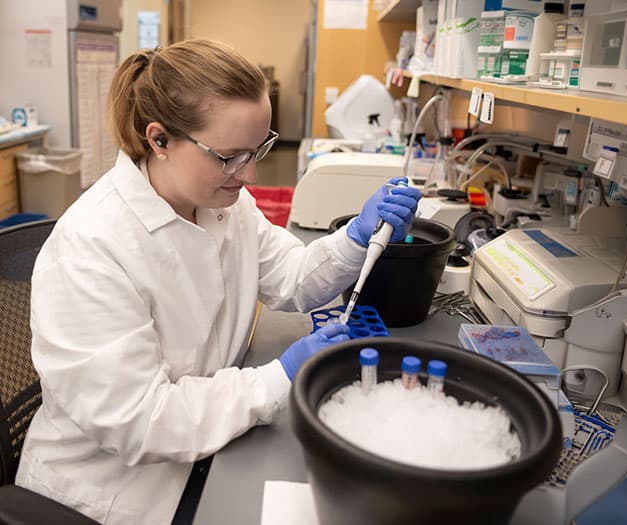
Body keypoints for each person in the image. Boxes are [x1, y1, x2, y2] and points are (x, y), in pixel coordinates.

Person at [15, 39, 420, 524]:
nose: (249, 173)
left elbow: (292, 279)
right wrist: (280, 375)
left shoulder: (224, 203)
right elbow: (141, 421)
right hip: (117, 492)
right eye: (229, 156)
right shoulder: (92, 248)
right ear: (159, 139)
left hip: (208, 449)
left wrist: (356, 237)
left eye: (258, 149)